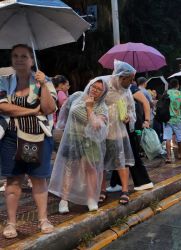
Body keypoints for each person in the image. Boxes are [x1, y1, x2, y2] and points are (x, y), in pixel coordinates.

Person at [0, 44, 57, 238]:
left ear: (32, 60)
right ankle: (11, 223)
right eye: (15, 56)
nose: (19, 59)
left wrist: (42, 86)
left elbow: (49, 108)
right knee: (13, 181)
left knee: (38, 180)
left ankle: (43, 219)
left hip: (37, 137)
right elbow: (4, 108)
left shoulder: (44, 80)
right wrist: (32, 111)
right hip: (11, 138)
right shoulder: (4, 81)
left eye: (24, 56)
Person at [49, 77, 109, 213]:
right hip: (73, 138)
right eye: (94, 86)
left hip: (90, 141)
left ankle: (91, 198)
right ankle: (64, 200)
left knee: (91, 169)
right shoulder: (76, 96)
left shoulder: (102, 107)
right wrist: (61, 127)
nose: (95, 90)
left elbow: (96, 125)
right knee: (70, 169)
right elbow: (64, 111)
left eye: (100, 89)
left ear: (103, 93)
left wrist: (89, 108)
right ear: (90, 85)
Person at [100, 60, 137, 205]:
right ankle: (102, 190)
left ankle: (125, 190)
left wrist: (129, 117)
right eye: (130, 79)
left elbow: (131, 110)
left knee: (122, 161)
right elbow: (91, 102)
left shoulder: (127, 91)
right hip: (102, 131)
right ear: (122, 77)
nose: (132, 82)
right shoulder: (103, 84)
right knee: (100, 162)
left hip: (118, 132)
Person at [107, 79, 154, 192]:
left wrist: (147, 120)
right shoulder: (118, 89)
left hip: (133, 126)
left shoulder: (131, 88)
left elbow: (145, 102)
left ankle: (144, 181)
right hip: (121, 126)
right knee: (120, 153)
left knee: (132, 152)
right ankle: (116, 183)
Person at [164, 78, 181, 163]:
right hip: (177, 118)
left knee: (167, 137)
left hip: (167, 119)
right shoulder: (180, 94)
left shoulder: (166, 92)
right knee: (179, 137)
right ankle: (180, 154)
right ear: (177, 85)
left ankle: (168, 157)